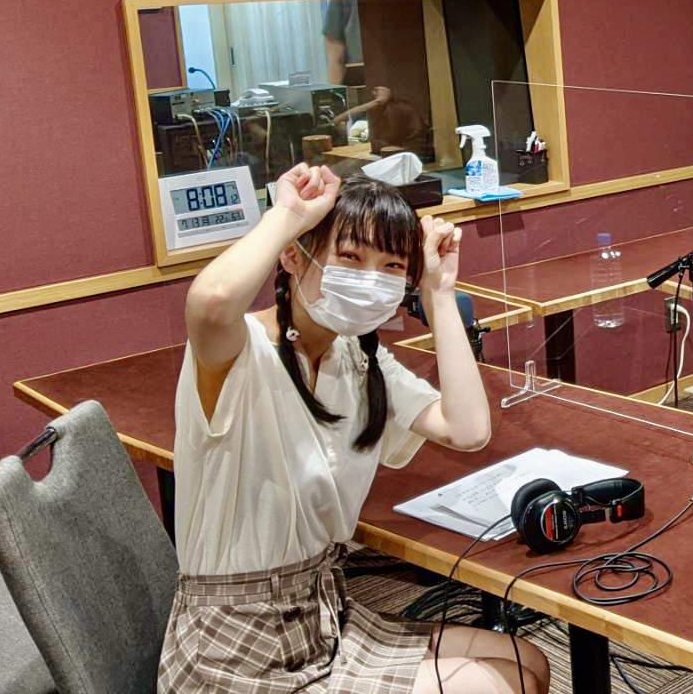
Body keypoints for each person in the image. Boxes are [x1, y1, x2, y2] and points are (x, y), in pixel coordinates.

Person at [162, 163, 549, 694]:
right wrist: (289, 215)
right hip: (231, 643)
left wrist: (439, 292)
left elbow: (467, 430)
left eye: (392, 266)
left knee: (526, 660)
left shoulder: (359, 359)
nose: (371, 278)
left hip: (320, 615)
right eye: (350, 257)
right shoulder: (239, 352)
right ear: (293, 256)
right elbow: (210, 303)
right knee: (492, 684)